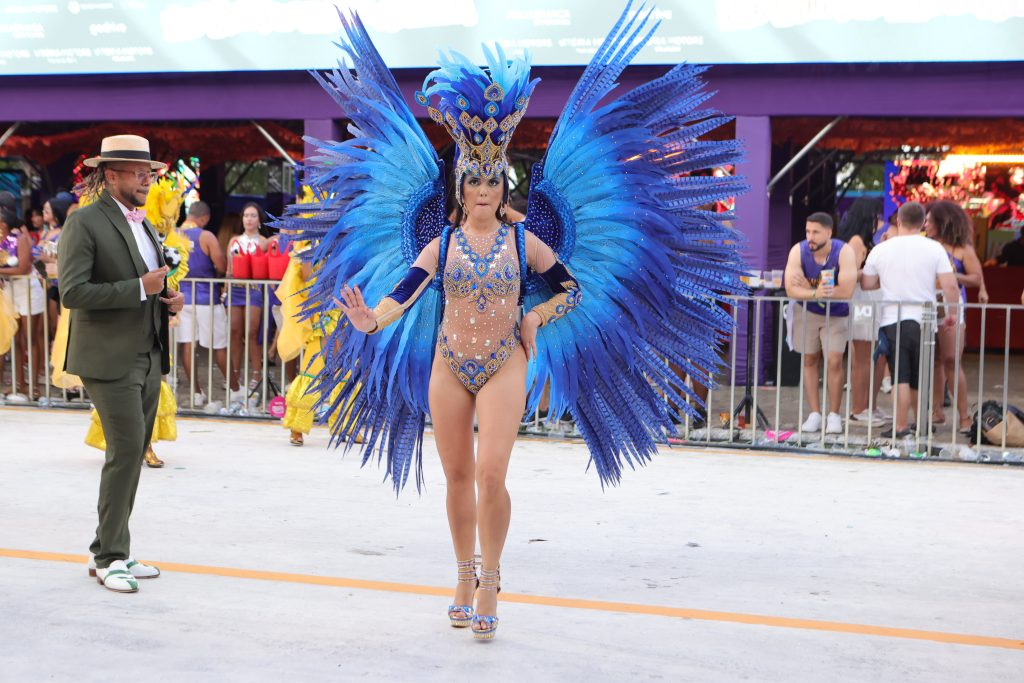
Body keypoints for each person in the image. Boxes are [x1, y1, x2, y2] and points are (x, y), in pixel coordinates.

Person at [293, 6, 745, 642]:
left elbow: (572, 286)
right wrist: (369, 321)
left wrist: (535, 313)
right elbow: (402, 295)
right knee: (453, 476)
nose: (481, 188)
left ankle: (492, 579)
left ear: (501, 183)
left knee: (491, 474)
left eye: (490, 178)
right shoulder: (440, 245)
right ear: (460, 184)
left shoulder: (527, 240)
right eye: (471, 178)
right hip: (450, 364)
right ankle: (460, 573)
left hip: (505, 361)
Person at [57, 134, 184, 593]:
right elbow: (71, 292)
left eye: (149, 173)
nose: (147, 180)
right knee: (126, 452)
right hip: (109, 358)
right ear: (110, 176)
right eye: (137, 173)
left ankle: (113, 550)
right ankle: (109, 555)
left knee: (131, 453)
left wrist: (167, 300)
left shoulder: (145, 224)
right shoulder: (84, 223)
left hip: (148, 353)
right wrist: (140, 288)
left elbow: (150, 283)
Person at [861, 201, 961, 438]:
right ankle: (921, 424)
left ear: (898, 221)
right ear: (922, 221)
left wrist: (885, 281)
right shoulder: (934, 249)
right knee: (920, 375)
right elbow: (950, 286)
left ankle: (900, 426)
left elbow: (866, 283)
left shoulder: (881, 249)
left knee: (900, 375)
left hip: (892, 318)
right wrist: (952, 314)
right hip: (924, 320)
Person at [784, 212, 857, 434]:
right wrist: (816, 293)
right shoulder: (798, 250)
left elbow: (846, 290)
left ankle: (834, 414)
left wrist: (807, 288)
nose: (810, 237)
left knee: (834, 360)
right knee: (809, 359)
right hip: (807, 312)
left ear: (829, 232)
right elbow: (790, 288)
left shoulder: (844, 251)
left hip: (836, 314)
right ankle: (815, 413)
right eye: (807, 231)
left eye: (815, 232)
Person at [924, 201, 987, 432]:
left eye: (930, 220)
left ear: (943, 222)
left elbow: (976, 278)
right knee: (935, 361)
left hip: (951, 305)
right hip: (929, 304)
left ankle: (964, 417)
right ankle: (936, 411)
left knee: (952, 361)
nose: (926, 224)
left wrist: (953, 276)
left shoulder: (962, 248)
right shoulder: (926, 244)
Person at [177, 200, 242, 406]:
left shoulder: (174, 236)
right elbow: (221, 265)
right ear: (204, 218)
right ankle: (234, 390)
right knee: (219, 346)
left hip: (183, 298)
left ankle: (196, 393)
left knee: (188, 345)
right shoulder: (206, 236)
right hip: (206, 298)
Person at [837, 198, 889, 422]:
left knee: (865, 356)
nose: (879, 221)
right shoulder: (857, 242)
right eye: (876, 216)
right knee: (863, 357)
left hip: (865, 301)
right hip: (861, 301)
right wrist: (874, 274)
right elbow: (851, 274)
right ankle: (858, 409)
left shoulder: (857, 239)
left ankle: (864, 407)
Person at [0, 207, 46, 401]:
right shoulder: (3, 242)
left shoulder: (22, 239)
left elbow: (24, 267)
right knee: (16, 339)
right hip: (11, 290)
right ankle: (19, 384)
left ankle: (34, 386)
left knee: (30, 339)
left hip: (28, 289)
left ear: (5, 225)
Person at [226, 202, 269, 394]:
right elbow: (229, 269)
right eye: (246, 215)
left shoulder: (264, 242)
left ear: (259, 220)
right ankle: (235, 374)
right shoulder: (234, 241)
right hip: (234, 290)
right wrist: (224, 290)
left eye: (253, 215)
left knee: (253, 333)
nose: (249, 219)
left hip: (254, 290)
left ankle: (256, 374)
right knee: (235, 332)